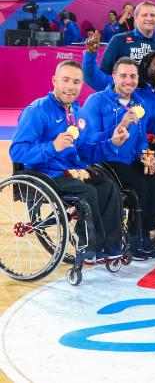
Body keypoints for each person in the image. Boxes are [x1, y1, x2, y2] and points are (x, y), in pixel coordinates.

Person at [10, 60, 127, 264]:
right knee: (88, 192)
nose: (70, 86)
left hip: (72, 171)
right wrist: (52, 147)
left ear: (82, 85)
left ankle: (112, 246)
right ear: (54, 81)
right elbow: (17, 151)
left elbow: (87, 152)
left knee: (107, 186)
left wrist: (112, 143)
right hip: (45, 174)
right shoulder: (37, 110)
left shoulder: (78, 113)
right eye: (65, 80)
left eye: (76, 82)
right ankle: (90, 247)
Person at [83, 57, 155, 261]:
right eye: (124, 76)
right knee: (139, 186)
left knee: (154, 182)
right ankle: (134, 237)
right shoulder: (96, 101)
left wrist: (147, 157)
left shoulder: (140, 103)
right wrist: (121, 125)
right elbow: (89, 138)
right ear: (114, 77)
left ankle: (145, 232)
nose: (129, 81)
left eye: (133, 76)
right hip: (103, 160)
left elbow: (142, 139)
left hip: (129, 160)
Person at [100, 1, 155, 77]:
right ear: (136, 18)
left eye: (153, 15)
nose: (149, 18)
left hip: (154, 88)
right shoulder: (118, 40)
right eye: (144, 15)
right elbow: (104, 75)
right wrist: (90, 56)